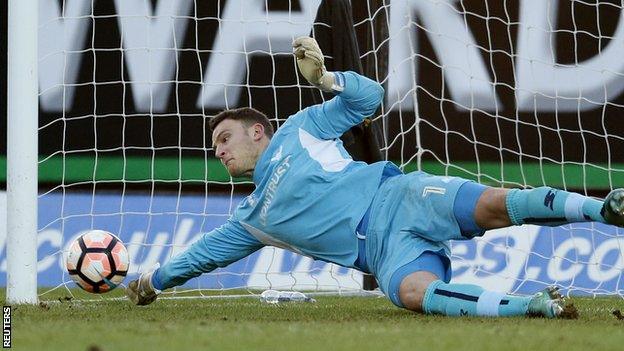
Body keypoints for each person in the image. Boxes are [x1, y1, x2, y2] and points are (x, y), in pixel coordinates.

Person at [126, 37, 624, 318]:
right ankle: (533, 307)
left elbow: (368, 100)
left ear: (259, 131)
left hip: (398, 198)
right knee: (412, 294)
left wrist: (325, 80)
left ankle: (604, 209)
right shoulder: (252, 219)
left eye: (225, 140)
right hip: (386, 253)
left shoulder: (302, 129)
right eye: (215, 149)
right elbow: (203, 255)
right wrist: (153, 280)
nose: (220, 153)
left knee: (495, 204)